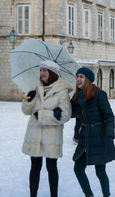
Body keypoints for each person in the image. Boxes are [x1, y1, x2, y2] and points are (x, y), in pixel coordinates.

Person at [21, 60, 73, 197]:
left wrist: (44, 115)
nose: (41, 73)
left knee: (51, 167)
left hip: (51, 136)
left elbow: (66, 115)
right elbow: (26, 111)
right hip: (35, 133)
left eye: (45, 70)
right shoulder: (36, 87)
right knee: (35, 167)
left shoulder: (61, 91)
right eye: (40, 70)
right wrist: (29, 100)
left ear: (52, 73)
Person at [71, 67, 115, 197]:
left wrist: (109, 134)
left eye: (81, 77)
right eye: (77, 76)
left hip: (99, 135)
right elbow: (71, 113)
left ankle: (106, 195)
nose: (78, 79)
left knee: (100, 171)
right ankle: (89, 195)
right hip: (85, 136)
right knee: (78, 169)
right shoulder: (77, 97)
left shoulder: (99, 94)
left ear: (88, 79)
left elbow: (109, 115)